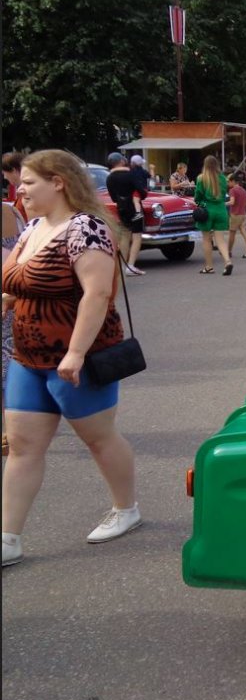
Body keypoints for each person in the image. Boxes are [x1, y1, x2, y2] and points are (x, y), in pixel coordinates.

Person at [2, 149, 141, 567]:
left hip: (76, 358)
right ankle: (8, 537)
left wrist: (77, 353)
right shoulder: (32, 230)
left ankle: (126, 508)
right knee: (23, 446)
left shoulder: (87, 228)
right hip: (28, 356)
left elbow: (97, 294)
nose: (20, 189)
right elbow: (15, 285)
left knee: (98, 439)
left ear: (58, 182)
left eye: (29, 182)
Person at [2, 199, 26, 457]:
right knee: (9, 360)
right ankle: (12, 429)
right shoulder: (12, 210)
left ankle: (11, 432)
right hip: (11, 294)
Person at [104, 152, 146, 276]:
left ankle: (122, 266)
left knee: (124, 236)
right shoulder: (130, 175)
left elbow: (113, 198)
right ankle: (131, 265)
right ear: (122, 161)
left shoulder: (109, 178)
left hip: (121, 208)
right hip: (134, 208)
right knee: (137, 236)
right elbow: (141, 191)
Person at [193, 155, 233, 276]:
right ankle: (227, 261)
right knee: (220, 240)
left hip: (207, 211)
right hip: (221, 209)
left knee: (206, 239)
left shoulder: (201, 178)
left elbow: (197, 198)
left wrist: (202, 204)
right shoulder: (222, 178)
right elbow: (224, 194)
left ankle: (209, 266)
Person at [227, 175, 246, 258]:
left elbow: (232, 202)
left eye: (229, 181)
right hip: (243, 214)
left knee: (232, 233)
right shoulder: (243, 190)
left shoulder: (232, 190)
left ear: (233, 181)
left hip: (235, 214)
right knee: (243, 231)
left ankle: (229, 251)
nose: (228, 183)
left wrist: (222, 204)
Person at [3, 151, 28, 222]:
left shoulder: (26, 193)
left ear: (14, 170)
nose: (5, 177)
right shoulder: (24, 191)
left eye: (4, 173)